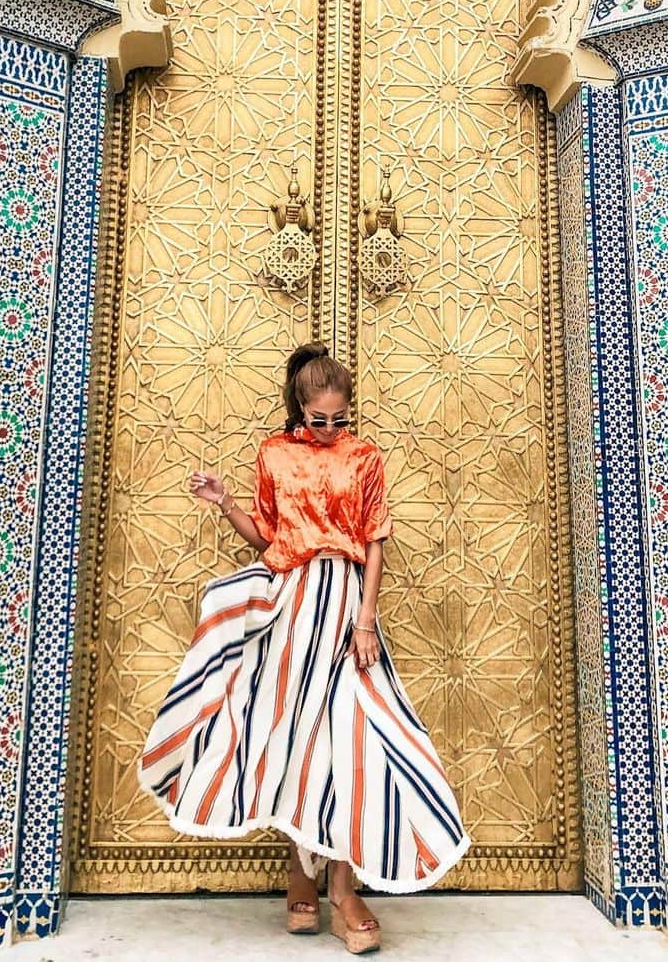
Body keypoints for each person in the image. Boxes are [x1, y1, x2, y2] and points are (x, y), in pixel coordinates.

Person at [138, 342, 469, 953]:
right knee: (294, 733)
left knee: (357, 735)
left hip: (344, 605)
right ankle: (301, 873)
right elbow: (268, 535)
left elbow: (375, 541)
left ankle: (342, 889)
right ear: (300, 406)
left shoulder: (364, 456)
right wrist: (226, 501)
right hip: (290, 602)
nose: (330, 429)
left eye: (340, 419)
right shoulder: (274, 453)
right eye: (320, 419)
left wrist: (366, 618)